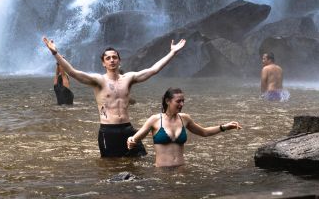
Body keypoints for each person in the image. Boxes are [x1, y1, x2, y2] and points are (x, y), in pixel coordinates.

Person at [42, 36, 186, 157]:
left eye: (114, 57)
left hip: (127, 129)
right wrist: (55, 53)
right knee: (110, 167)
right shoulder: (98, 80)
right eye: (108, 58)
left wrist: (172, 53)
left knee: (140, 160)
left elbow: (153, 70)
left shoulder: (129, 78)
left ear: (119, 60)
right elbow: (73, 72)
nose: (112, 60)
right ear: (103, 63)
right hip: (108, 130)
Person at [126, 87, 242, 167]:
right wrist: (131, 140)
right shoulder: (155, 120)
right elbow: (135, 138)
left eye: (183, 101)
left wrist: (225, 127)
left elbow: (204, 132)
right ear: (167, 101)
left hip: (181, 169)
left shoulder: (184, 118)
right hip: (161, 172)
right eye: (178, 101)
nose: (182, 104)